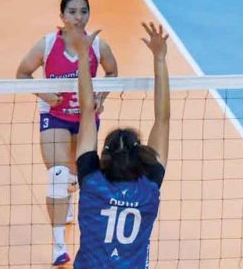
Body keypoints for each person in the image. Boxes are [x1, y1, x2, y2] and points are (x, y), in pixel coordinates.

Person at [16, 0, 118, 265]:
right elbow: (22, 73)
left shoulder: (99, 47)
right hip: (56, 116)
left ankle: (69, 195)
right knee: (58, 175)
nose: (78, 17)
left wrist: (101, 98)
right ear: (62, 16)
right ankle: (58, 245)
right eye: (72, 11)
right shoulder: (48, 45)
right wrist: (44, 95)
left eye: (83, 11)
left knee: (77, 178)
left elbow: (113, 73)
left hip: (85, 118)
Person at [69, 22, 169, 268]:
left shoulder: (92, 181)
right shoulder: (149, 187)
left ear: (104, 156)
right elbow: (163, 119)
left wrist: (83, 56)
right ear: (140, 155)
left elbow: (86, 112)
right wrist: (159, 58)